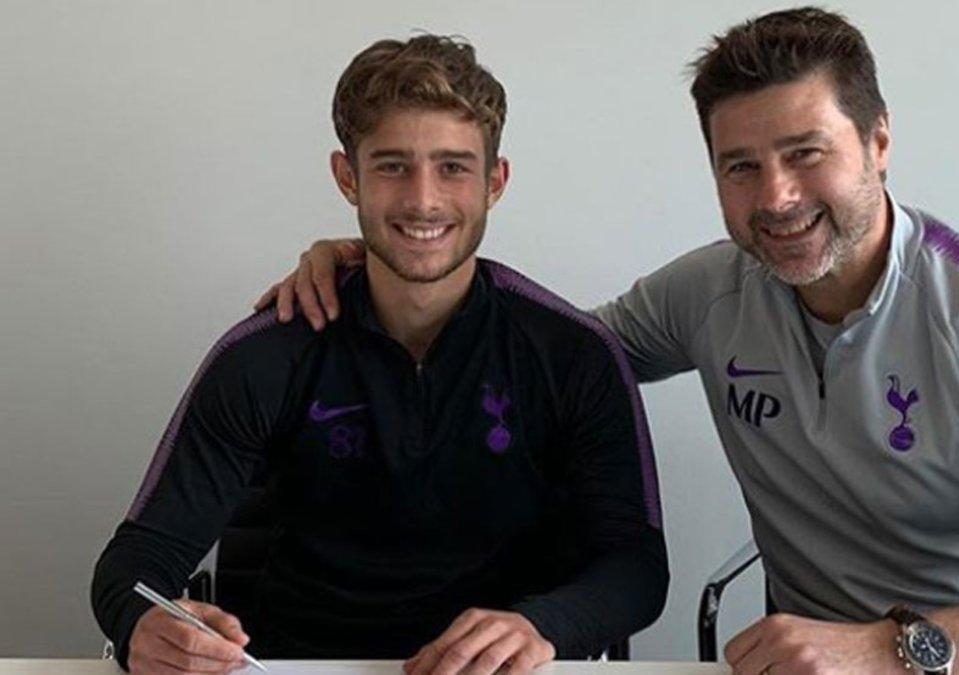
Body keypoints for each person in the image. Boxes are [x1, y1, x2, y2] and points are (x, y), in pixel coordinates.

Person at [262, 8, 959, 675]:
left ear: (880, 141)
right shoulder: (709, 291)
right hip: (795, 664)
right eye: (741, 165)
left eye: (806, 151)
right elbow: (534, 356)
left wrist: (893, 651)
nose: (775, 195)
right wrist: (390, 255)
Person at [91, 35, 667, 675]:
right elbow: (139, 557)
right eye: (393, 165)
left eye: (453, 167)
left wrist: (543, 626)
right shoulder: (265, 353)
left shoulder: (573, 353)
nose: (423, 200)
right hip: (296, 667)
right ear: (347, 177)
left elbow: (637, 564)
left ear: (495, 183)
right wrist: (144, 624)